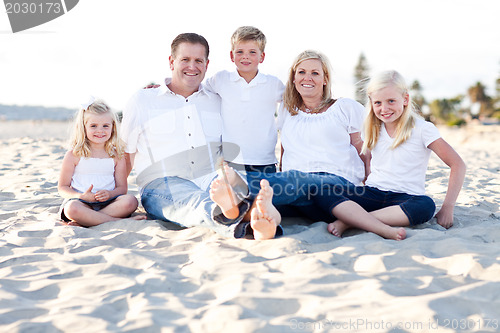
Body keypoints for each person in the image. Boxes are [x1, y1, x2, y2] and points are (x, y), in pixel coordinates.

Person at [120, 32, 282, 240]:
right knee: (195, 203)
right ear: (172, 61)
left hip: (210, 177)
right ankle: (243, 221)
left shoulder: (216, 98)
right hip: (162, 182)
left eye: (198, 60)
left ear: (207, 64)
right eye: (185, 59)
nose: (192, 66)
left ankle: (259, 221)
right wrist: (118, 196)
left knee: (246, 193)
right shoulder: (143, 100)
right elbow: (125, 154)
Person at [212, 50, 371, 223]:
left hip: (336, 187)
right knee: (264, 205)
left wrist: (371, 188)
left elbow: (364, 150)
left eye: (315, 73)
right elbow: (285, 150)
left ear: (325, 79)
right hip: (297, 193)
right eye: (301, 72)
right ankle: (257, 222)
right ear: (294, 78)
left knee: (297, 178)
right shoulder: (287, 111)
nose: (307, 78)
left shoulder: (345, 107)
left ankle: (240, 183)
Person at [317, 70, 466, 239]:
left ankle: (351, 221)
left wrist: (448, 207)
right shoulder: (372, 129)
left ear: (405, 99)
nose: (384, 108)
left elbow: (458, 164)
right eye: (378, 103)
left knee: (426, 206)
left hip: (406, 199)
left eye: (391, 101)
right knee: (324, 191)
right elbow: (369, 161)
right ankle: (359, 218)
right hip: (373, 194)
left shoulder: (422, 129)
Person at [205, 26, 284, 174]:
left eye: (252, 52)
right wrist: (167, 84)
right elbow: (195, 91)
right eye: (240, 52)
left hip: (264, 161)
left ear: (262, 57)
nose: (245, 56)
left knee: (263, 197)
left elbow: (295, 101)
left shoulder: (273, 84)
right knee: (232, 197)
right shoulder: (221, 79)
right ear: (231, 55)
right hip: (230, 161)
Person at [58, 100, 145, 227]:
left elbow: (122, 189)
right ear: (83, 127)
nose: (100, 131)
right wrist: (81, 196)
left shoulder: (116, 156)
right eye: (93, 126)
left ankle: (88, 220)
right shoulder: (74, 155)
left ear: (112, 127)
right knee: (72, 208)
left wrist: (110, 194)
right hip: (81, 202)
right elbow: (62, 188)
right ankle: (115, 221)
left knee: (131, 201)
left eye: (105, 126)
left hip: (109, 203)